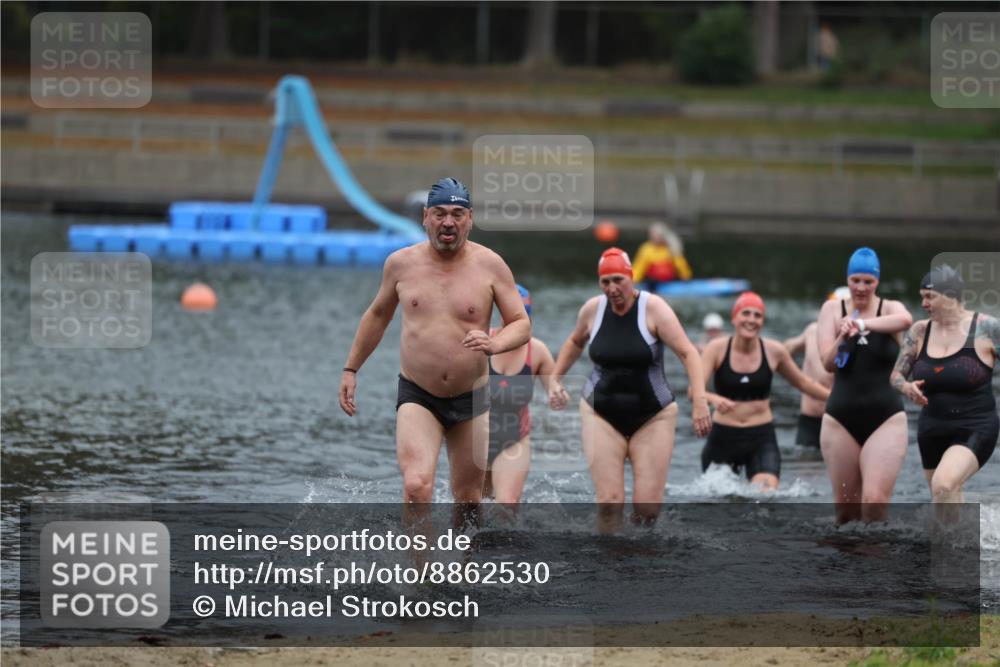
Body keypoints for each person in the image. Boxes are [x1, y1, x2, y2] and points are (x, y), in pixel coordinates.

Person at [338, 177, 531, 505]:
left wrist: (494, 344)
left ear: (470, 219)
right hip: (419, 395)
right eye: (440, 213)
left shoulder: (491, 266)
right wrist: (350, 369)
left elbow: (521, 323)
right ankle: (418, 559)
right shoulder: (401, 264)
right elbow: (377, 316)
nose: (448, 222)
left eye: (457, 214)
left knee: (469, 499)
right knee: (416, 486)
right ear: (426, 216)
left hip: (472, 397)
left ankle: (464, 558)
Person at [548, 248, 711, 528]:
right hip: (600, 413)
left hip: (653, 416)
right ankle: (608, 565)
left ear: (631, 277)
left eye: (618, 280)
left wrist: (700, 400)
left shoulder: (654, 308)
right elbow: (575, 342)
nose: (612, 289)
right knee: (610, 502)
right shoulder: (592, 310)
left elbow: (688, 353)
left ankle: (641, 565)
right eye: (605, 282)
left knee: (647, 510)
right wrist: (554, 378)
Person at [817, 247, 913, 523]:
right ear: (847, 279)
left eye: (868, 281)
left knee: (874, 501)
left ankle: (877, 564)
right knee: (846, 512)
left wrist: (861, 324)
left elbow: (906, 320)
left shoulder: (889, 308)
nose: (861, 287)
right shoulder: (832, 309)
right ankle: (850, 566)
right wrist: (842, 337)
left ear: (877, 282)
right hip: (840, 420)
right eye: (855, 280)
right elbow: (827, 363)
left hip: (886, 418)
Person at [700, 292, 831, 490]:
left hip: (760, 438)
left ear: (762, 321)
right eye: (746, 313)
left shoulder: (774, 351)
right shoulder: (716, 349)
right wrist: (713, 398)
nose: (751, 320)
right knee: (719, 502)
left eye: (757, 315)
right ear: (734, 318)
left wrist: (836, 398)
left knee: (764, 498)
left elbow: (803, 383)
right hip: (722, 438)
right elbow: (695, 390)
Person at [890, 265, 998, 503]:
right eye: (922, 298)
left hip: (975, 426)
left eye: (930, 297)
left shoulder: (987, 328)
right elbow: (896, 376)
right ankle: (967, 538)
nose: (924, 304)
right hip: (932, 428)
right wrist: (907, 388)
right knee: (944, 502)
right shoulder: (919, 331)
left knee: (944, 483)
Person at [484, 284, 558, 507]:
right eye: (513, 315)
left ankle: (509, 542)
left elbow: (554, 387)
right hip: (474, 438)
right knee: (470, 508)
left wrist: (558, 394)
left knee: (506, 505)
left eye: (525, 314)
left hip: (514, 438)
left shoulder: (537, 351)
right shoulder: (482, 342)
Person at [784, 286, 850, 449]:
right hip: (811, 420)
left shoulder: (860, 338)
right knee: (807, 468)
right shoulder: (812, 331)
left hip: (843, 421)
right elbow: (786, 349)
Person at [632, 223, 693, 293]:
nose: (654, 237)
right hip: (653, 283)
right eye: (652, 235)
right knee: (652, 281)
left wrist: (686, 279)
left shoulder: (671, 248)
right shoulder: (646, 249)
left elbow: (681, 266)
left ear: (663, 236)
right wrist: (633, 281)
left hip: (670, 282)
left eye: (656, 235)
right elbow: (639, 267)